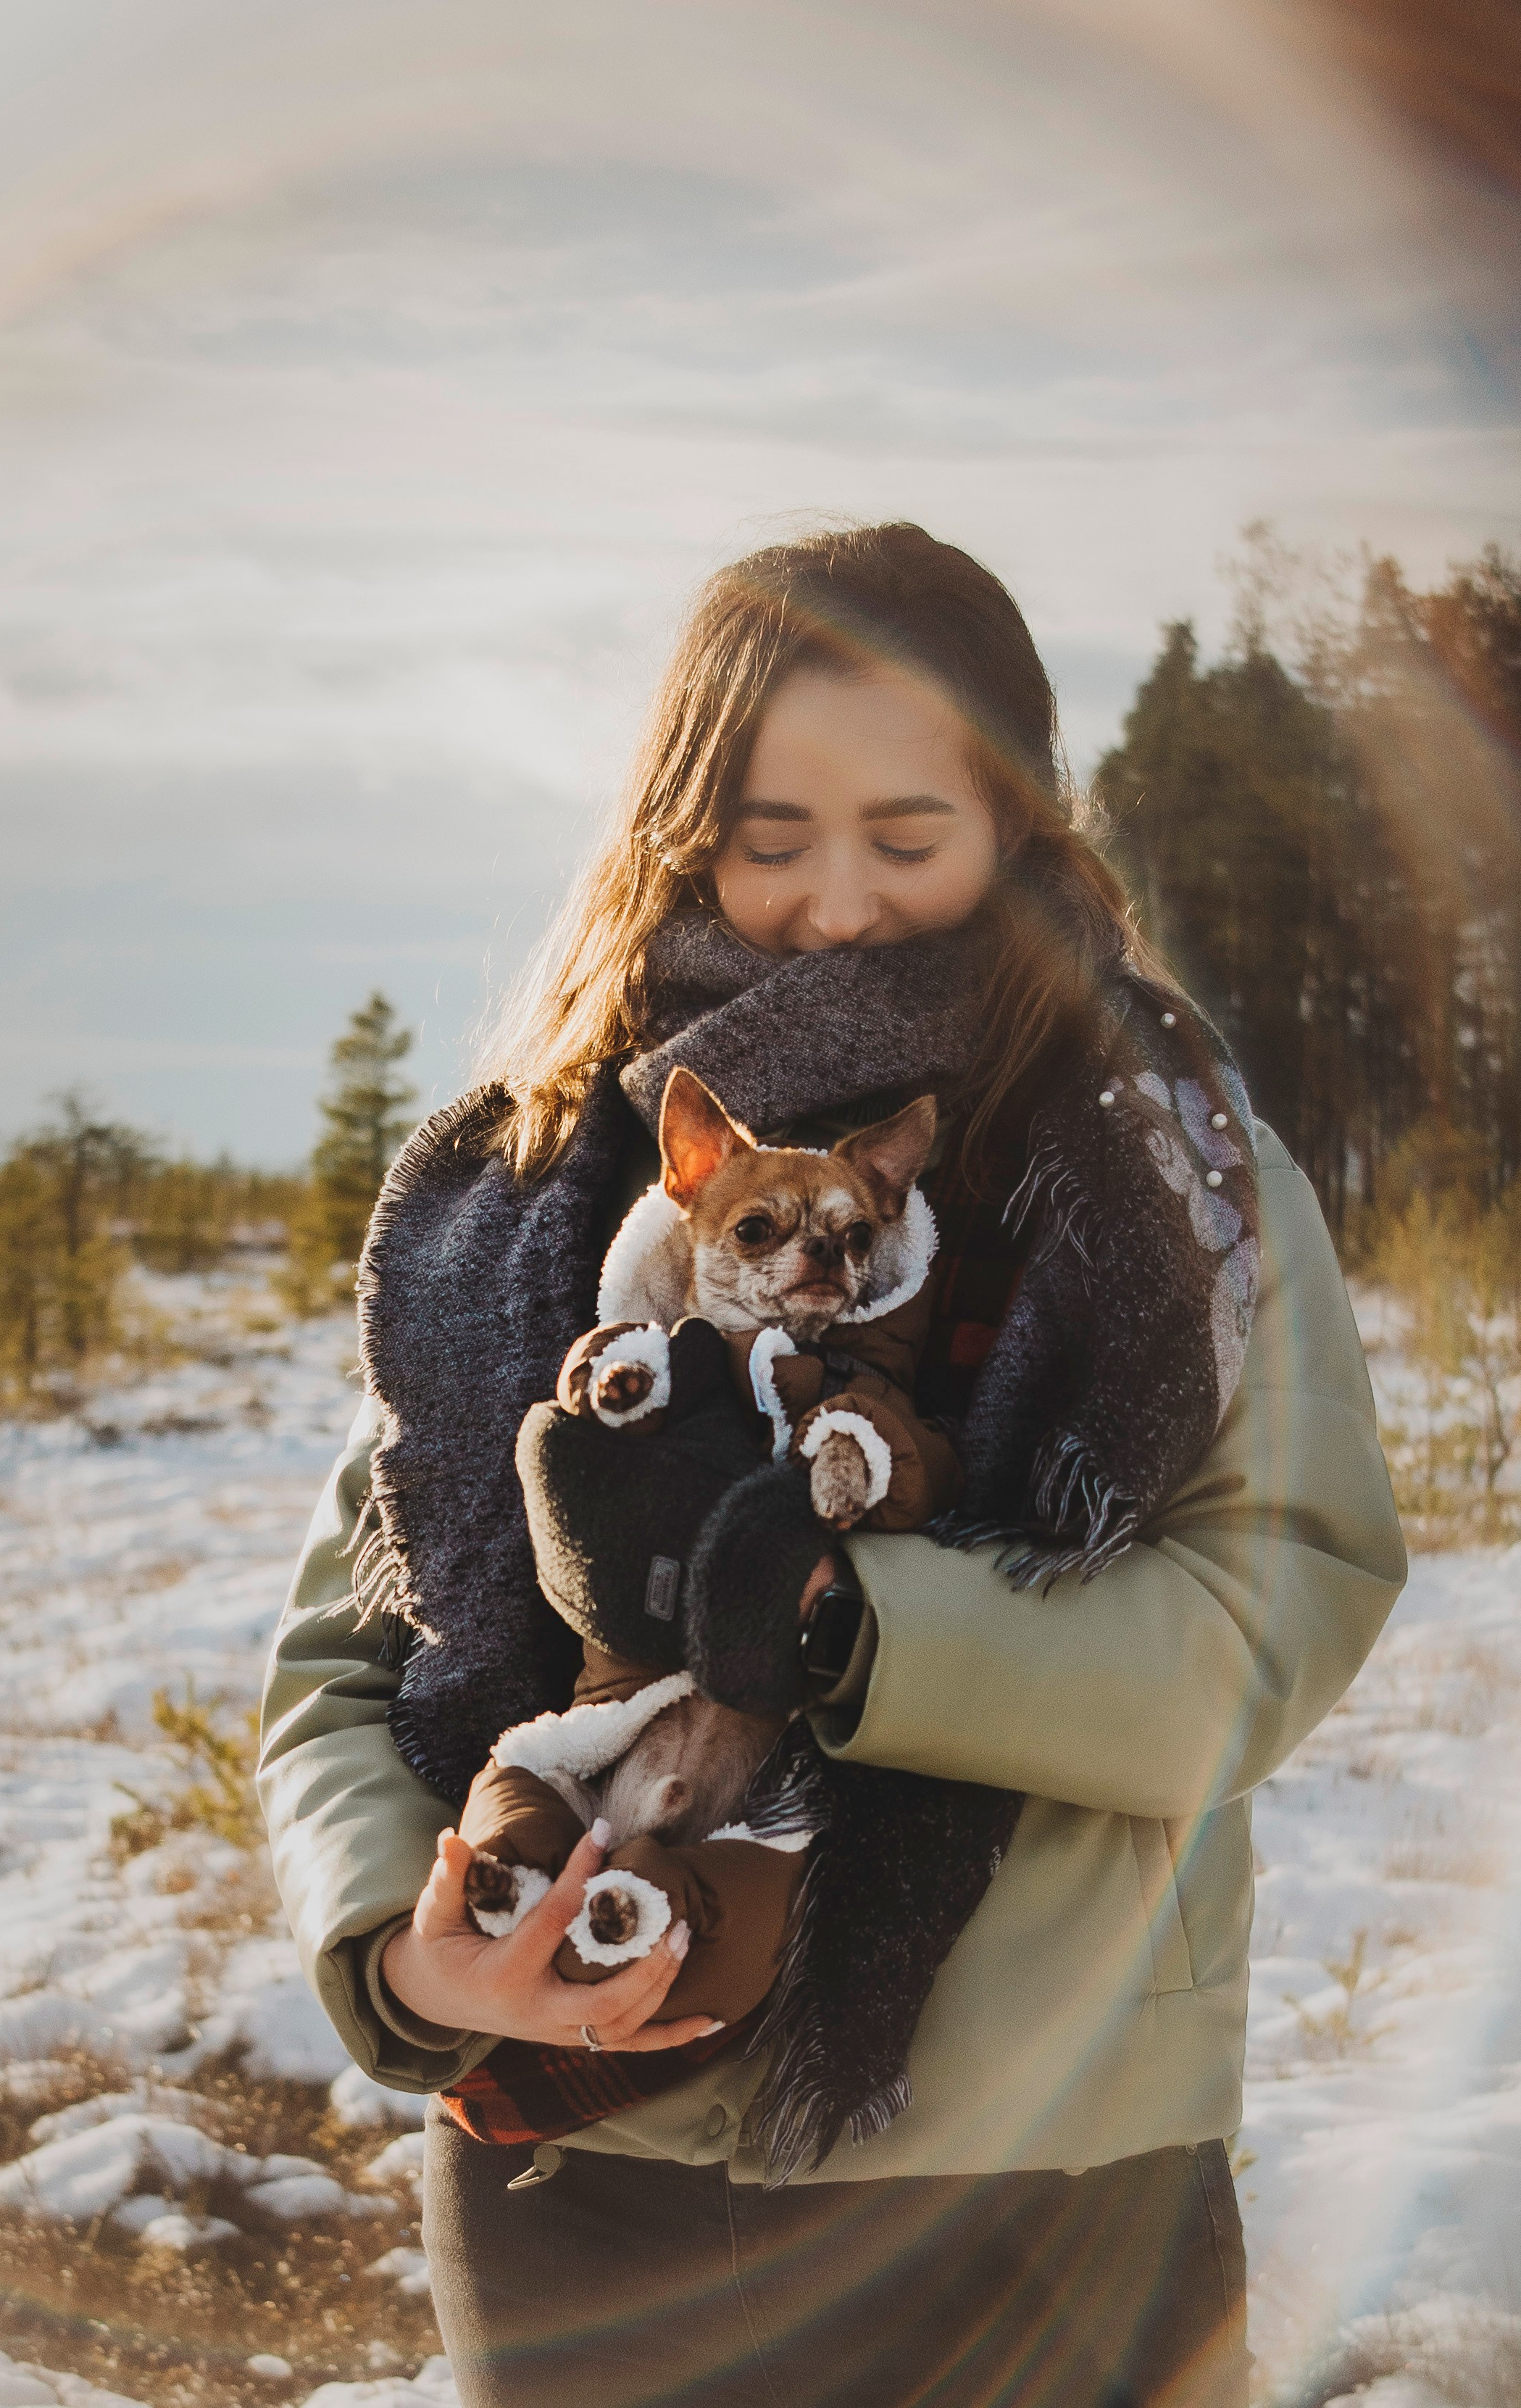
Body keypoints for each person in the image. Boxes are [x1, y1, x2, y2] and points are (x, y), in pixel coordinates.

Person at [259, 523, 1406, 2408]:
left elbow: (1271, 1611)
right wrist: (408, 1945)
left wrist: (841, 1622)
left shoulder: (1169, 1181)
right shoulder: (539, 1187)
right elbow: (341, 1653)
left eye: (906, 830)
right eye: (770, 836)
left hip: (1030, 2198)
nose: (836, 902)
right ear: (679, 828)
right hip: (575, 2175)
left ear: (1022, 824)